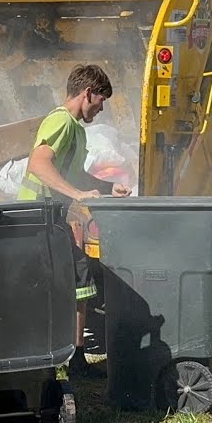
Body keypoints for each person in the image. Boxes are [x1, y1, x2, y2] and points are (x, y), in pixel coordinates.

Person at [18, 63, 130, 377]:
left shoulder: (75, 130)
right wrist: (77, 194)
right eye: (100, 100)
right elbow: (39, 163)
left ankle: (59, 354)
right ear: (87, 92)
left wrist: (108, 188)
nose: (101, 108)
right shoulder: (61, 121)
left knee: (63, 282)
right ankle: (75, 359)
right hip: (36, 215)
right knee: (80, 277)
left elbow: (74, 174)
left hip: (47, 216)